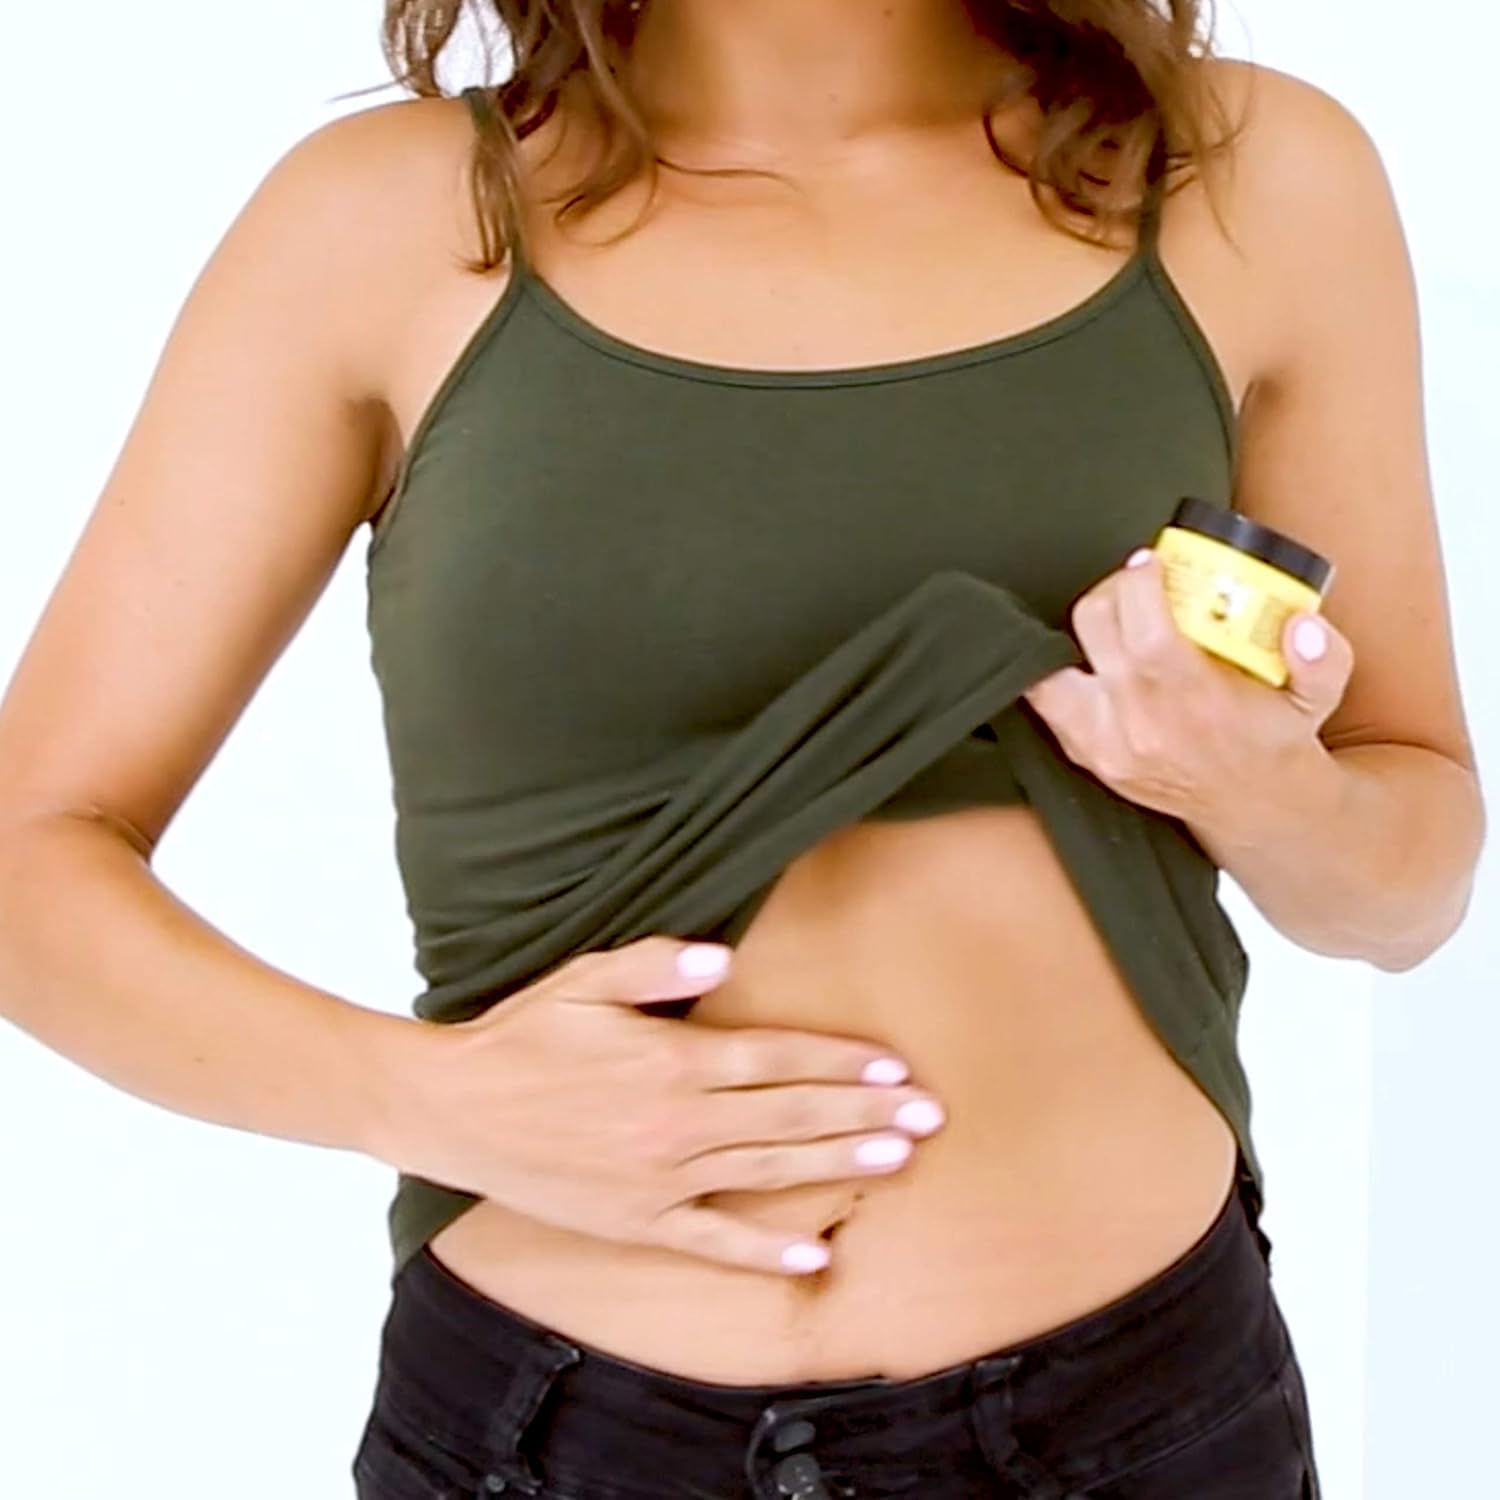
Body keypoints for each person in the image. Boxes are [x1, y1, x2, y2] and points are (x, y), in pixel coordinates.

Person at [0, 2, 1484, 1496]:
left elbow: (1409, 886)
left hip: (1137, 1421)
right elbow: (28, 859)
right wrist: (429, 1101)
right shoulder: (384, 225)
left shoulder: (1248, 178)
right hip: (551, 1441)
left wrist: (1260, 787)